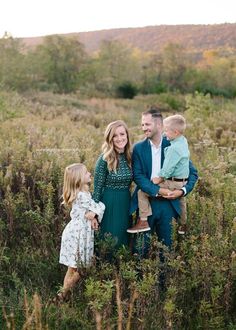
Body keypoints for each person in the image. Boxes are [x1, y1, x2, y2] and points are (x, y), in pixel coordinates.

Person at [129, 107, 198, 249]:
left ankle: (165, 271)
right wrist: (158, 190)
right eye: (142, 124)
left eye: (147, 124)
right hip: (146, 204)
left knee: (167, 248)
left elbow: (192, 173)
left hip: (169, 204)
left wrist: (182, 191)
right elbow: (138, 176)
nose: (144, 128)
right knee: (140, 247)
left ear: (159, 125)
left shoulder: (174, 145)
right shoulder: (138, 148)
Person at [56, 163, 105, 302]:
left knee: (72, 269)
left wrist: (93, 215)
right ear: (78, 179)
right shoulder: (82, 196)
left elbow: (91, 212)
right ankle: (62, 295)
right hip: (77, 235)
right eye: (86, 173)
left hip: (79, 232)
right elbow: (99, 206)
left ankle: (62, 296)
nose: (89, 173)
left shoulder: (84, 193)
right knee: (77, 270)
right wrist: (96, 211)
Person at [93, 120, 133, 249]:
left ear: (127, 135)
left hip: (126, 203)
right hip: (109, 204)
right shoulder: (104, 159)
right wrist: (93, 214)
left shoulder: (130, 157)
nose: (119, 138)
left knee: (124, 240)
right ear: (109, 139)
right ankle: (106, 267)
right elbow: (97, 189)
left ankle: (121, 267)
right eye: (115, 136)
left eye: (122, 134)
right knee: (110, 241)